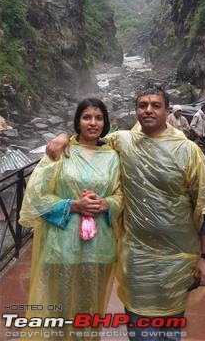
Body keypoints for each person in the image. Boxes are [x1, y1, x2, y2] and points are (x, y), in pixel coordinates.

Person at [46, 87, 205, 341]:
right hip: (137, 258)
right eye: (142, 105)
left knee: (171, 331)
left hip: (178, 258)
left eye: (155, 105)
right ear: (136, 110)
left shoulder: (187, 150)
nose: (148, 110)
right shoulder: (123, 141)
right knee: (141, 332)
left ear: (166, 110)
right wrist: (64, 136)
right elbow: (88, 138)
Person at [19, 98, 123, 341]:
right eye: (87, 117)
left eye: (98, 118)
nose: (93, 123)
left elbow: (121, 194)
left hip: (99, 248)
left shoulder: (113, 157)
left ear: (105, 122)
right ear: (78, 121)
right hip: (61, 245)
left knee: (89, 310)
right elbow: (37, 196)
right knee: (59, 309)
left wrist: (106, 203)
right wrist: (73, 205)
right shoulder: (61, 151)